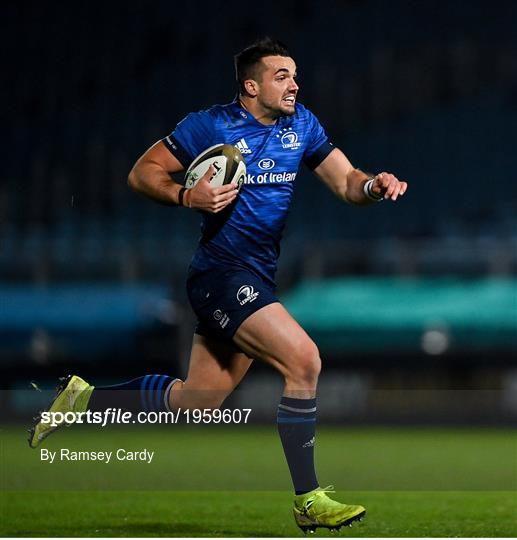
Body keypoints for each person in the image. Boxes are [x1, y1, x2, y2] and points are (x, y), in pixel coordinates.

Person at [29, 37, 407, 533]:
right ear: (251, 86)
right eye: (282, 76)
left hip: (255, 277)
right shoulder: (210, 125)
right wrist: (187, 195)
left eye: (294, 75)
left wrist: (372, 186)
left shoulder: (303, 125)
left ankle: (81, 400)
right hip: (221, 275)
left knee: (196, 401)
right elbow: (142, 173)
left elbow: (345, 182)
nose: (294, 84)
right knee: (305, 360)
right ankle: (309, 499)